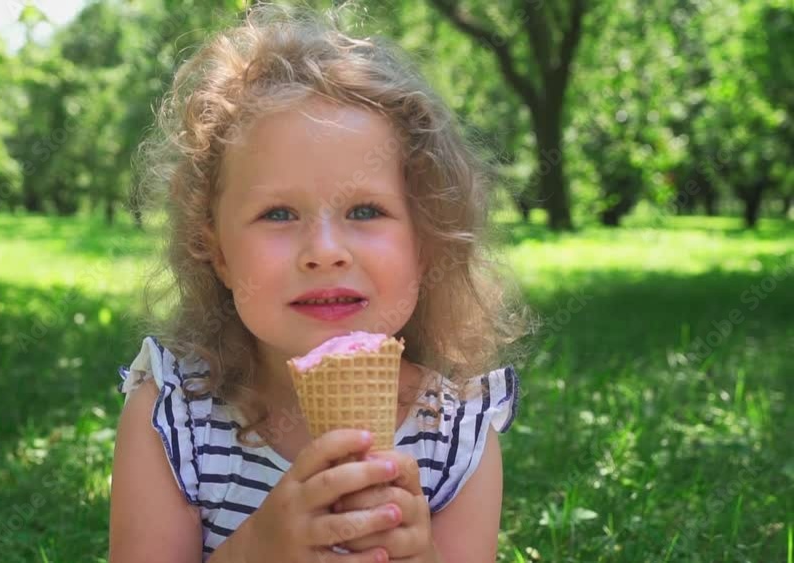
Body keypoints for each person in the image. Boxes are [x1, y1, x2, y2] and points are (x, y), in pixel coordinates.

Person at [109, 3, 528, 562]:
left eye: (365, 211)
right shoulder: (175, 419)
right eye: (279, 214)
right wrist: (253, 553)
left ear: (426, 242)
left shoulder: (454, 435)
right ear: (217, 252)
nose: (325, 252)